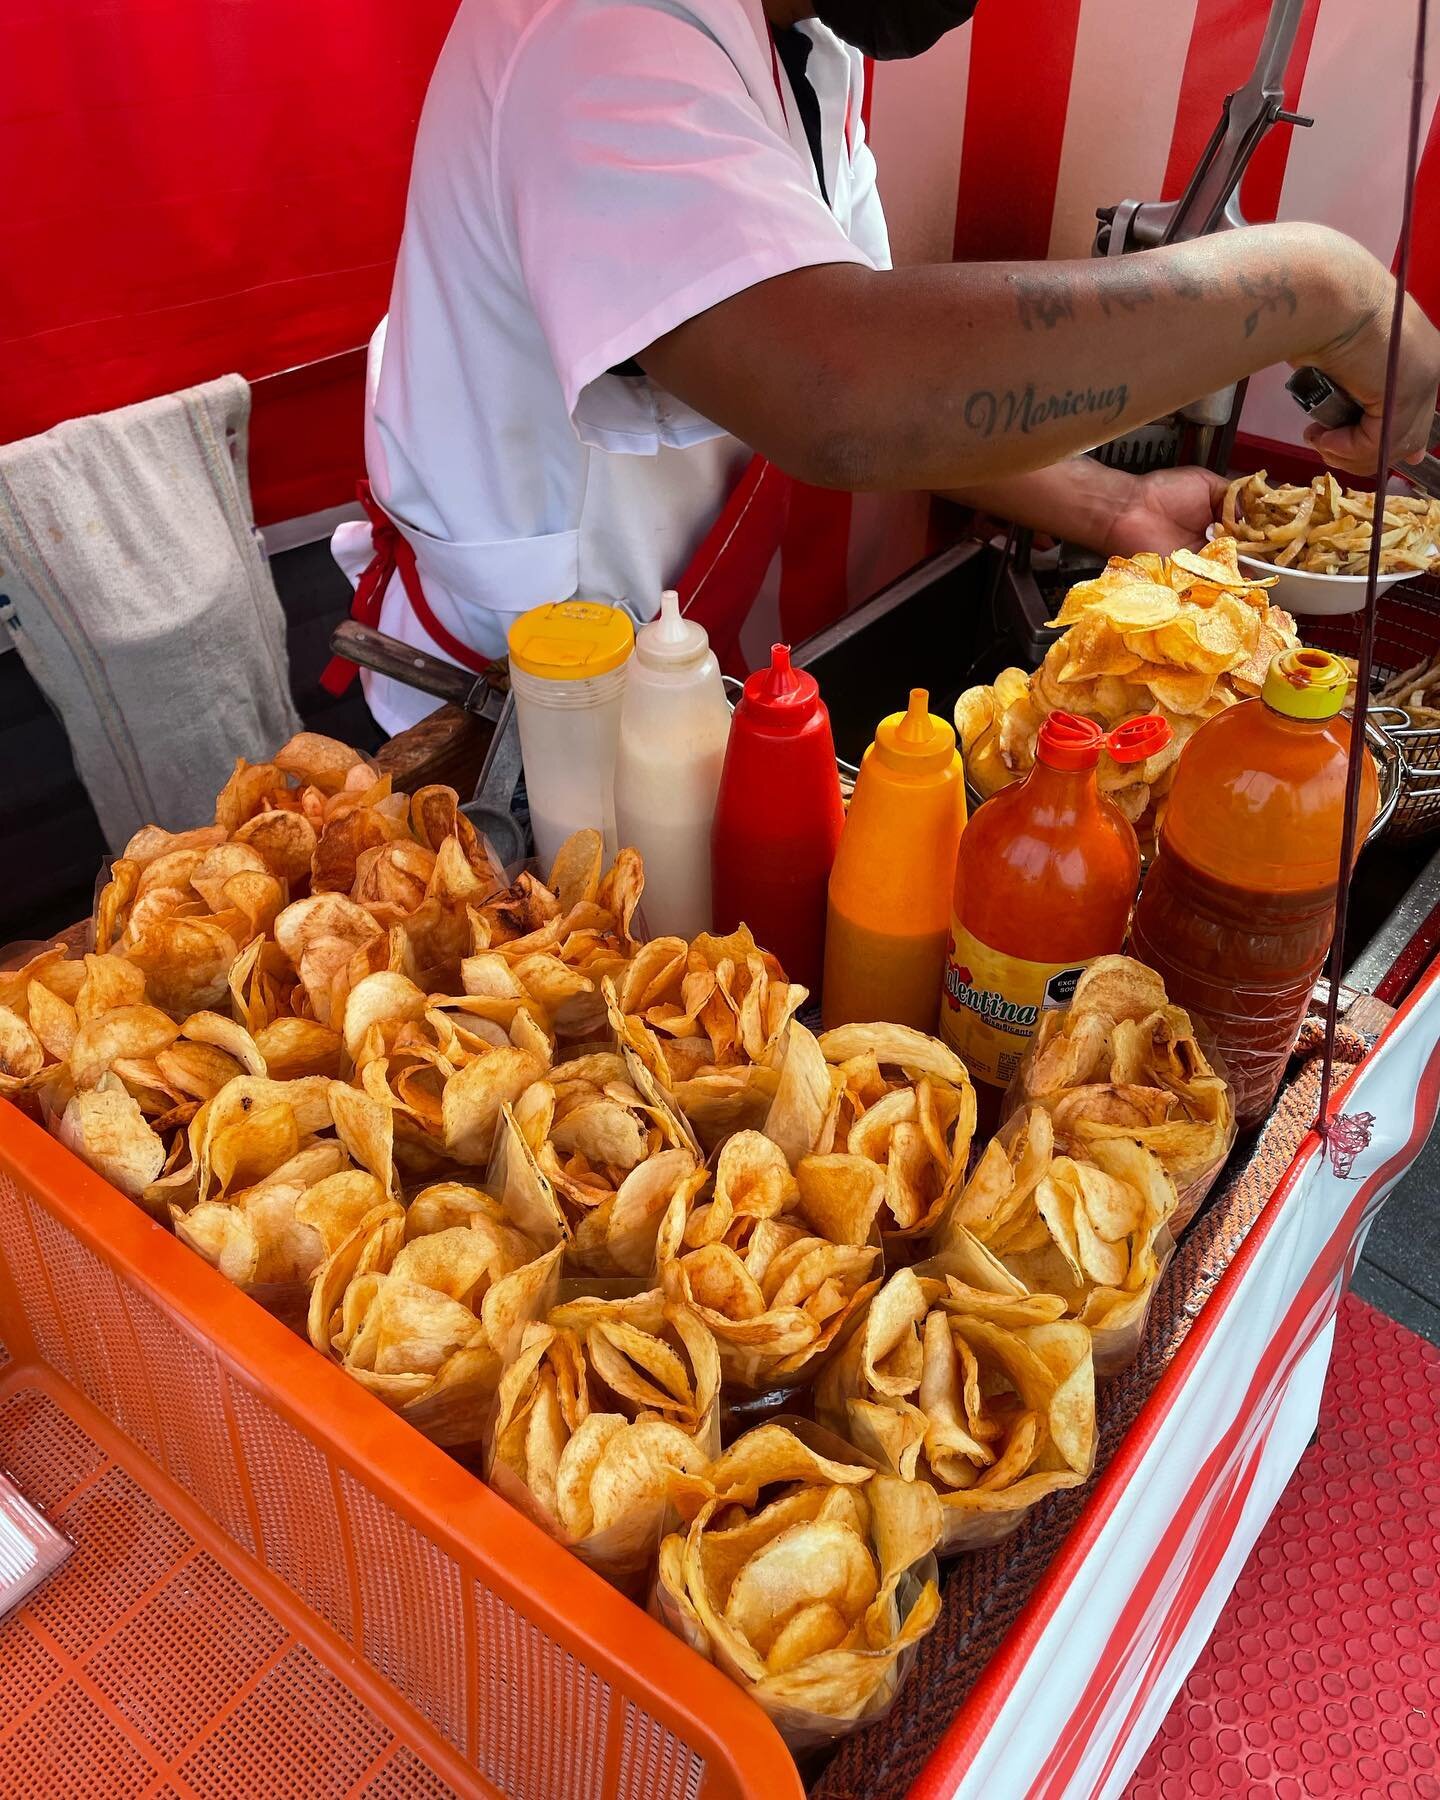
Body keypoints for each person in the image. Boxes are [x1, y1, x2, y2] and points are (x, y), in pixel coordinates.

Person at [332, 0, 1440, 733]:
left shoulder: (809, 43)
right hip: (486, 716)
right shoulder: (597, 27)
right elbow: (844, 391)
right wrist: (1311, 287)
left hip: (643, 676)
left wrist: (1118, 503)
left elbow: (918, 389)